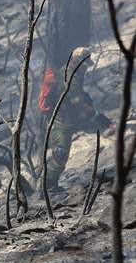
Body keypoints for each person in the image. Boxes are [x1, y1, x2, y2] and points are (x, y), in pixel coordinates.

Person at [41, 47, 113, 192]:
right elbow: (79, 105)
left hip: (66, 121)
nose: (86, 68)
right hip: (60, 123)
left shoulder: (71, 73)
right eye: (85, 65)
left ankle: (50, 187)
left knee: (61, 155)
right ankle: (47, 189)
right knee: (59, 155)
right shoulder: (70, 78)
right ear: (78, 62)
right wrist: (102, 119)